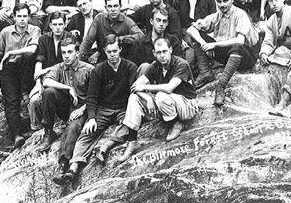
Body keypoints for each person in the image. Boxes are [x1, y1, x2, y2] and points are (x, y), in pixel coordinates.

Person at [97, 37, 197, 163]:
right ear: (154, 54)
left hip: (187, 104)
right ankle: (132, 141)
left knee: (160, 95)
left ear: (171, 50)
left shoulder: (181, 64)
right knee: (134, 98)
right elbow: (135, 87)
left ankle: (176, 122)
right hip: (168, 103)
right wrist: (147, 98)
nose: (162, 56)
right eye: (159, 52)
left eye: (165, 51)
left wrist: (146, 88)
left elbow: (169, 88)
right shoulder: (155, 66)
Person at [53, 35, 137, 185]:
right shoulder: (99, 70)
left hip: (123, 108)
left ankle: (105, 146)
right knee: (86, 133)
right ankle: (73, 167)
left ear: (120, 50)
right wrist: (91, 118)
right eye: (109, 51)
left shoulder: (130, 67)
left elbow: (133, 93)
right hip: (104, 109)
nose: (112, 55)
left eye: (115, 51)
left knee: (129, 125)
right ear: (104, 51)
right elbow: (92, 97)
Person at [187, 0, 259, 104]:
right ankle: (205, 72)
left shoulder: (240, 14)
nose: (222, 5)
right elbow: (190, 30)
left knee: (237, 45)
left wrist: (214, 45)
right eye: (219, 1)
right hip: (227, 55)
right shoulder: (217, 15)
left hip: (245, 57)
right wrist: (204, 43)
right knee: (197, 35)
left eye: (225, 1)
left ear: (231, 0)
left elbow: (240, 40)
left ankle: (220, 87)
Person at [34, 36, 94, 169]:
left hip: (83, 107)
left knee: (72, 127)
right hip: (66, 105)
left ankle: (64, 163)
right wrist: (68, 88)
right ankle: (49, 132)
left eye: (70, 52)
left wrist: (82, 110)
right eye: (63, 53)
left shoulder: (89, 69)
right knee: (49, 92)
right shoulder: (59, 67)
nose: (66, 56)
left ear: (77, 53)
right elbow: (46, 81)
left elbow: (95, 96)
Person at [0, 3, 41, 148]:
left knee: (27, 56)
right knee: (12, 101)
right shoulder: (5, 32)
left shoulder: (35, 30)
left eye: (25, 16)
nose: (22, 20)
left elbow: (33, 49)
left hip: (27, 68)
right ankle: (17, 135)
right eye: (19, 16)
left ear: (28, 17)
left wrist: (12, 52)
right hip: (9, 68)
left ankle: (25, 89)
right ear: (14, 17)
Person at [28, 11, 71, 131]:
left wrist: (47, 69)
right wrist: (37, 83)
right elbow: (39, 60)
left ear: (65, 24)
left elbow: (69, 61)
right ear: (50, 25)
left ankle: (57, 123)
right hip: (46, 78)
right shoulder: (44, 39)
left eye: (60, 24)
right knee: (34, 100)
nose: (58, 27)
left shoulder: (70, 38)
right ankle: (36, 130)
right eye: (55, 24)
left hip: (64, 78)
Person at [172, 0, 217, 67]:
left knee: (210, 53)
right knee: (189, 58)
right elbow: (176, 24)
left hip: (204, 31)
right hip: (185, 32)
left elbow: (214, 19)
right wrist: (180, 39)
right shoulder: (178, 0)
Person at [79, 0, 144, 63]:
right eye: (110, 6)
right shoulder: (99, 19)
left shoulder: (127, 21)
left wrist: (121, 39)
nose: (113, 9)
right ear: (106, 8)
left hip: (122, 60)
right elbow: (88, 40)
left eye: (116, 6)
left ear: (120, 7)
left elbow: (140, 36)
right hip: (103, 58)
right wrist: (79, 59)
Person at [129, 7, 183, 74]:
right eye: (158, 20)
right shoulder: (139, 43)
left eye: (164, 21)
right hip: (146, 80)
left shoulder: (173, 42)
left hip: (167, 78)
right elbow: (133, 68)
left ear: (167, 23)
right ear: (151, 21)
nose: (161, 24)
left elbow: (180, 65)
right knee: (145, 66)